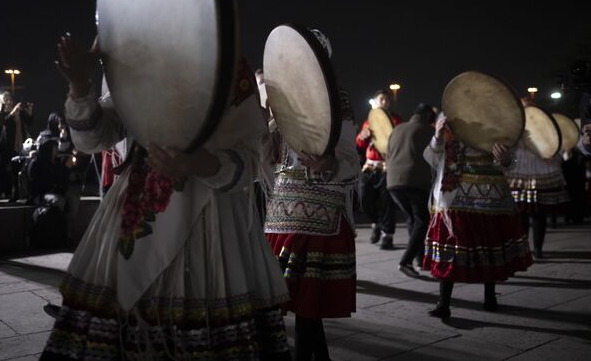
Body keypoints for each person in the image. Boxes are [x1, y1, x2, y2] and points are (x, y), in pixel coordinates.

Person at [40, 34, 291, 360]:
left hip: (213, 222)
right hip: (138, 208)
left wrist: (196, 163)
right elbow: (96, 137)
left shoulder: (229, 67)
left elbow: (250, 163)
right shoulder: (139, 56)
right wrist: (80, 87)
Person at [263, 29, 360, 361]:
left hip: (321, 213)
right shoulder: (278, 102)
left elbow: (350, 158)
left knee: (307, 304)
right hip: (281, 212)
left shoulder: (336, 100)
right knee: (284, 301)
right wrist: (266, 128)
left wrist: (331, 162)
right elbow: (267, 156)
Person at [422, 113, 533, 318]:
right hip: (453, 198)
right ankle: (444, 303)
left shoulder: (497, 123)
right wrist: (437, 135)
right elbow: (431, 157)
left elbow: (510, 163)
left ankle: (490, 296)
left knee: (488, 246)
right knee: (450, 249)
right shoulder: (449, 119)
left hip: (489, 198)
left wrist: (506, 158)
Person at [504, 98, 569, 258]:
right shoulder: (514, 126)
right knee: (521, 213)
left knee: (539, 212)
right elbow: (508, 148)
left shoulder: (543, 123)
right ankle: (523, 248)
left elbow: (554, 144)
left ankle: (537, 248)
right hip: (519, 170)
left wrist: (552, 154)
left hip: (539, 169)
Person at [385, 103, 436, 277]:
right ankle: (406, 261)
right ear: (429, 117)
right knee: (422, 220)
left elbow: (387, 153)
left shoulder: (398, 128)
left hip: (393, 182)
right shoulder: (429, 131)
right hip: (415, 182)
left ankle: (419, 260)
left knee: (413, 219)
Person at [356, 90, 399, 249]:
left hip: (388, 166)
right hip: (370, 165)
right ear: (376, 101)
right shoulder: (369, 120)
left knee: (387, 202)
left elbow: (399, 141)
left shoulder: (396, 120)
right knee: (364, 198)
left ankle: (388, 235)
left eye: (387, 100)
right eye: (381, 99)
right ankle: (376, 223)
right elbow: (360, 144)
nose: (385, 102)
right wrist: (362, 136)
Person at [0, 91, 33, 200]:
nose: (9, 101)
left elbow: (29, 122)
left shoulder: (18, 111)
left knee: (17, 169)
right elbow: (4, 122)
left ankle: (17, 193)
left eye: (10, 98)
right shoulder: (1, 112)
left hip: (19, 143)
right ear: (2, 102)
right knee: (4, 170)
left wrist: (30, 111)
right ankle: (4, 191)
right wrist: (12, 112)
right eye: (6, 99)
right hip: (5, 146)